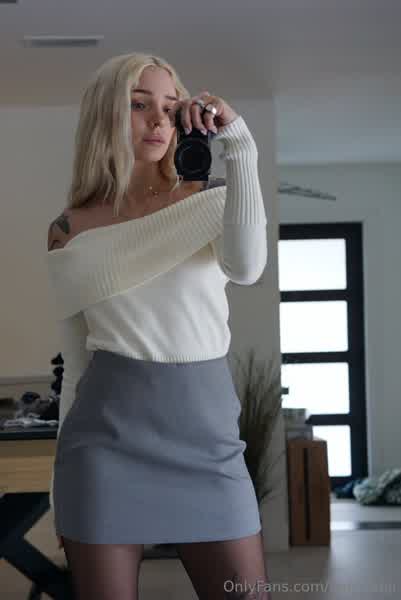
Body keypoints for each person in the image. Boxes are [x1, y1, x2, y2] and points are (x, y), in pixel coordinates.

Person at [46, 52, 270, 599]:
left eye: (170, 108)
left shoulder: (212, 200)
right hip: (102, 451)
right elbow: (76, 361)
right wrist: (59, 489)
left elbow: (248, 268)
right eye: (139, 104)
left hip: (209, 446)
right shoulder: (70, 228)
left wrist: (240, 143)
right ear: (105, 114)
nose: (158, 121)